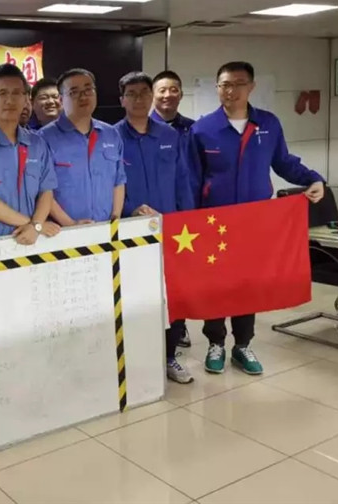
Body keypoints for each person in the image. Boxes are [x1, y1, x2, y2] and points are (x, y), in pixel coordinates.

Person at [189, 61, 325, 375]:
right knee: (216, 285)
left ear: (251, 86)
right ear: (217, 87)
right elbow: (192, 178)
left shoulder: (268, 124)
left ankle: (242, 345)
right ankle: (215, 343)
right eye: (225, 84)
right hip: (215, 223)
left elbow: (284, 162)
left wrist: (313, 178)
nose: (231, 90)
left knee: (246, 284)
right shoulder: (203, 129)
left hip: (254, 222)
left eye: (238, 84)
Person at [114, 72, 194, 384]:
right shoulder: (111, 137)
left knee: (172, 296)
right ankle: (136, 360)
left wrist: (188, 221)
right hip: (130, 232)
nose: (138, 99)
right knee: (135, 299)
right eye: (131, 94)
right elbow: (109, 185)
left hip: (172, 231)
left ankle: (169, 356)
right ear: (122, 100)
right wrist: (130, 209)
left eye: (144, 93)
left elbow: (183, 180)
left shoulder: (169, 135)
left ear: (151, 97)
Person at [0, 64, 60, 243]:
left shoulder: (37, 143)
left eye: (16, 93)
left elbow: (46, 191)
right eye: (2, 93)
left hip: (36, 241)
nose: (9, 100)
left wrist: (36, 225)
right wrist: (34, 225)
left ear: (26, 99)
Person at [40, 68, 126, 225]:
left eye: (88, 90)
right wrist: (71, 225)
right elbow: (43, 190)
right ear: (61, 100)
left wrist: (115, 218)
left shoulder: (111, 134)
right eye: (74, 92)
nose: (83, 96)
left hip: (107, 228)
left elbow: (118, 181)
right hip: (63, 231)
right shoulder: (44, 138)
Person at [151, 70, 194, 348]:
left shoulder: (193, 129)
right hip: (151, 217)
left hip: (185, 214)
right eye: (162, 90)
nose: (168, 95)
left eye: (173, 89)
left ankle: (179, 327)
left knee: (180, 278)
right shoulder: (137, 129)